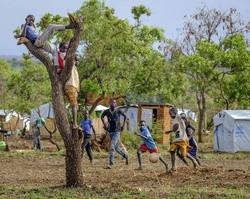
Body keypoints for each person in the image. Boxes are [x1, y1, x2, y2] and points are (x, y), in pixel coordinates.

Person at [101, 99, 129, 169]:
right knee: (117, 148)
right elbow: (102, 117)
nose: (112, 105)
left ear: (115, 104)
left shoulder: (118, 110)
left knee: (112, 146)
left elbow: (125, 116)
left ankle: (111, 164)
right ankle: (126, 156)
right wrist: (104, 124)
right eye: (111, 104)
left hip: (117, 131)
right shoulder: (106, 111)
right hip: (110, 131)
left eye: (114, 104)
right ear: (109, 104)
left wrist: (123, 126)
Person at [168, 107, 197, 172]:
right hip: (176, 139)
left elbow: (182, 117)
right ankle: (173, 167)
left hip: (182, 139)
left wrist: (184, 118)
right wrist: (170, 131)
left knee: (183, 153)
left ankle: (193, 160)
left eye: (170, 113)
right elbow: (176, 129)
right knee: (172, 151)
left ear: (174, 113)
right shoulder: (174, 120)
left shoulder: (178, 116)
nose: (169, 115)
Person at [64, 54, 80, 129]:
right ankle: (74, 124)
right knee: (74, 105)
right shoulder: (70, 65)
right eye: (77, 60)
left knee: (73, 105)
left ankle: (72, 123)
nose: (77, 62)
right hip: (71, 86)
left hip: (72, 87)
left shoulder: (73, 68)